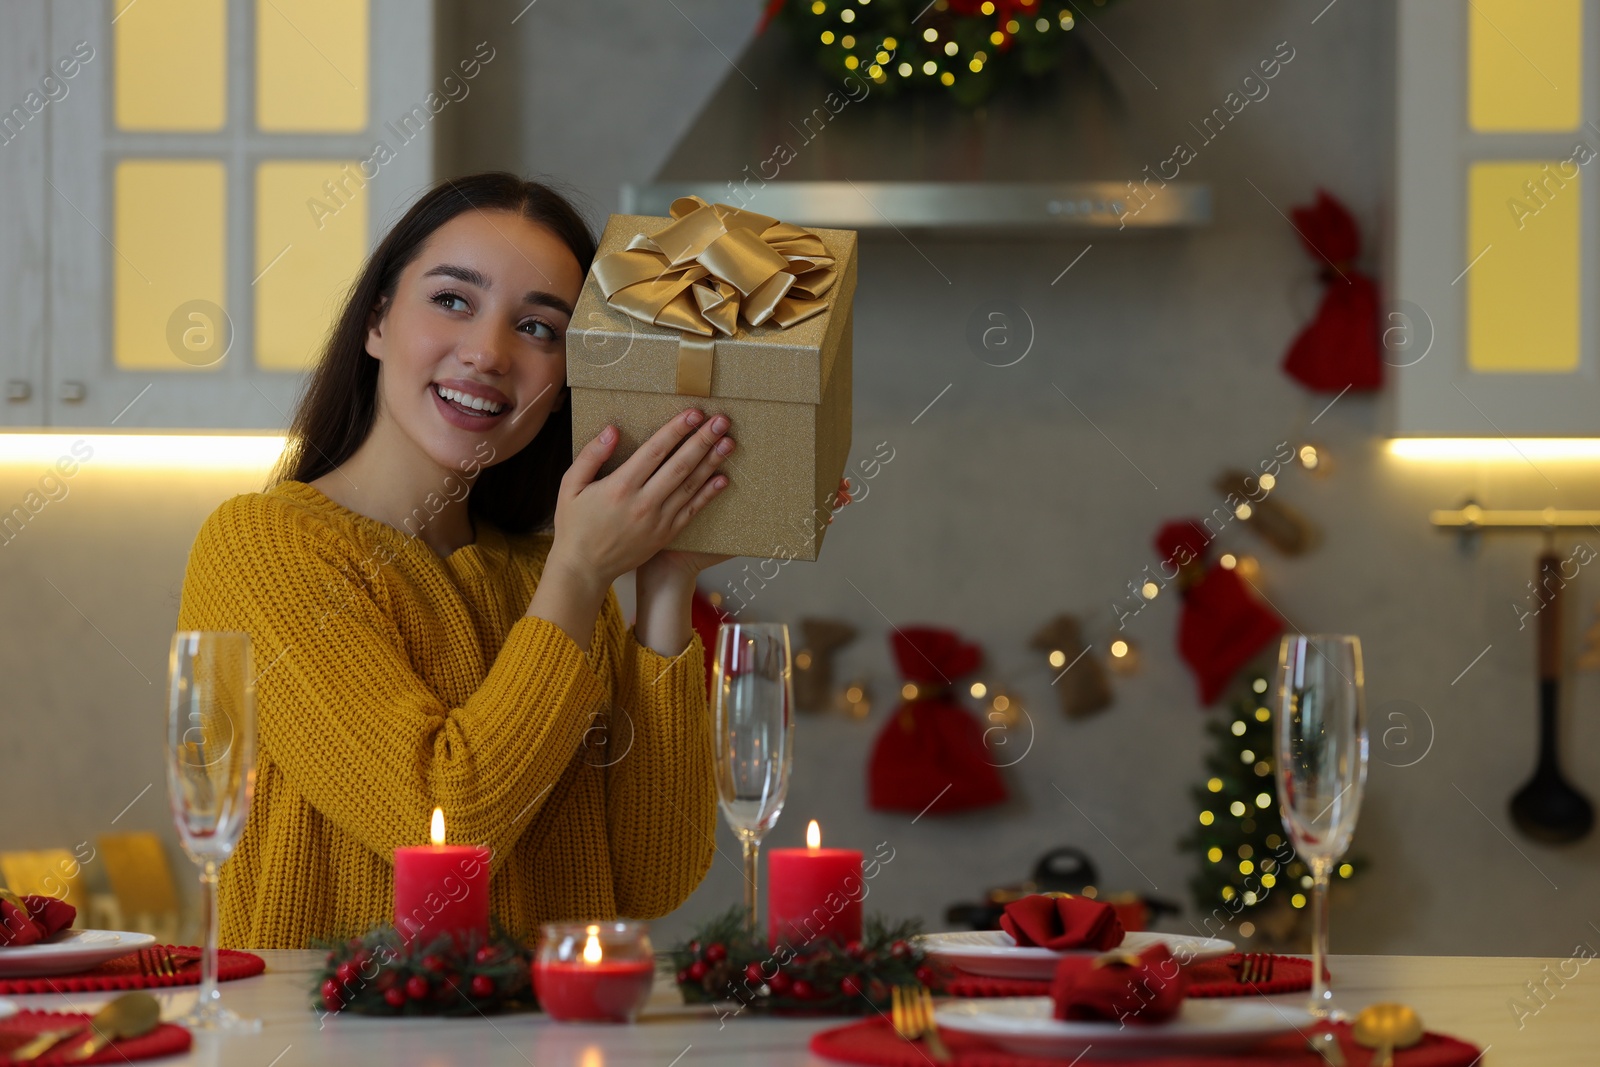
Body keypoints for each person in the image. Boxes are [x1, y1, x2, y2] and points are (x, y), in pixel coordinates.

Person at [176, 172, 775, 948]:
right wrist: (579, 571)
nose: (488, 352)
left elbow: (646, 876)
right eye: (454, 300)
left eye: (539, 329)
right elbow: (441, 828)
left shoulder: (543, 572)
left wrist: (667, 576)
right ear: (378, 321)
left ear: (566, 385)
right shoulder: (263, 546)